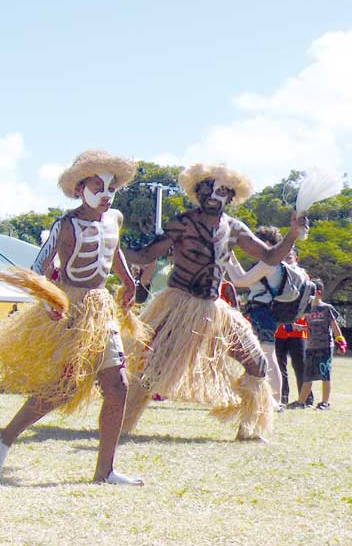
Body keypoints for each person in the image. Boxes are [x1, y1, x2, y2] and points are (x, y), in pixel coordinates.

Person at [0, 150, 142, 484]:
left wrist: (127, 281)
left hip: (101, 307)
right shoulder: (65, 225)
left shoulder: (114, 218)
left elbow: (114, 249)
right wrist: (48, 300)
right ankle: (5, 438)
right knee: (63, 387)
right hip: (70, 306)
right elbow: (37, 267)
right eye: (98, 187)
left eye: (112, 188)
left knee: (118, 386)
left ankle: (105, 471)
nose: (107, 195)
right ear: (80, 189)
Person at [121, 164, 309, 441]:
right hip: (178, 306)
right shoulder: (182, 223)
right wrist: (110, 246)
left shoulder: (234, 228)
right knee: (152, 368)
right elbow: (145, 254)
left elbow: (270, 256)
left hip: (215, 309)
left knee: (257, 364)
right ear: (197, 192)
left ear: (231, 196)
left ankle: (249, 429)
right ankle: (121, 424)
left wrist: (292, 234)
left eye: (221, 191)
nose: (213, 195)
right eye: (207, 188)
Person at [224, 226, 287, 406]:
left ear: (266, 243)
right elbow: (243, 277)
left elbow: (239, 281)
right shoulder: (274, 263)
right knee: (267, 354)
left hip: (263, 312)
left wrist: (225, 256)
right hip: (266, 311)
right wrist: (229, 254)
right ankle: (273, 399)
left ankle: (275, 400)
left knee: (267, 354)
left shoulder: (268, 264)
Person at [295, 281, 346, 410]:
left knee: (325, 374)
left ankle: (325, 403)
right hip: (311, 347)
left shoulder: (326, 308)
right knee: (308, 376)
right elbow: (311, 327)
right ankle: (301, 402)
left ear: (318, 292)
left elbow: (335, 327)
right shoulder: (307, 310)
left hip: (325, 347)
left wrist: (341, 343)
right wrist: (300, 327)